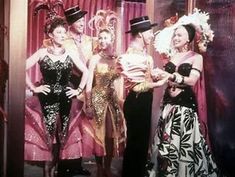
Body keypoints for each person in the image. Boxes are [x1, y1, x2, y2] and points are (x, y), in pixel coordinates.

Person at [153, 10, 219, 177]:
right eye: (175, 35)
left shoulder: (196, 57)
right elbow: (165, 81)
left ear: (188, 38)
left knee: (185, 144)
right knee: (167, 143)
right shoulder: (170, 57)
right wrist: (156, 77)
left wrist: (172, 75)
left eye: (179, 35)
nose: (175, 38)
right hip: (168, 106)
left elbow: (191, 80)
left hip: (185, 108)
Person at [24, 16, 89, 177]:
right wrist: (34, 87)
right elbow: (21, 67)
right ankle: (48, 173)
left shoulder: (70, 52)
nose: (62, 35)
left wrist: (79, 90)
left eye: (64, 32)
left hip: (66, 102)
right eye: (58, 32)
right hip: (46, 102)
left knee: (62, 141)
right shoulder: (42, 52)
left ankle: (57, 172)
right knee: (48, 141)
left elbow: (86, 71)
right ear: (50, 35)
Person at [118, 16, 169, 177]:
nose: (152, 35)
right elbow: (136, 86)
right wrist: (161, 82)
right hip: (137, 101)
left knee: (140, 143)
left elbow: (144, 78)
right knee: (135, 143)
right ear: (140, 34)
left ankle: (136, 172)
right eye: (149, 32)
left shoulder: (145, 56)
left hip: (144, 101)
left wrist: (156, 75)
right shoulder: (128, 58)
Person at [55, 5, 97, 176]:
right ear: (70, 23)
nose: (82, 23)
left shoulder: (90, 40)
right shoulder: (64, 41)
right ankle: (64, 165)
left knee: (82, 126)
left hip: (87, 84)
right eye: (77, 21)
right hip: (70, 84)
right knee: (68, 124)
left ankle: (77, 164)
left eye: (82, 20)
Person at [85, 10, 126, 177]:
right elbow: (88, 83)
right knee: (98, 135)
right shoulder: (94, 58)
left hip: (112, 100)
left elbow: (120, 82)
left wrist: (121, 101)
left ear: (112, 39)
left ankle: (107, 166)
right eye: (100, 38)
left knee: (110, 136)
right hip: (97, 99)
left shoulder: (117, 59)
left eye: (105, 38)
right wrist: (88, 104)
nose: (102, 41)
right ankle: (99, 166)